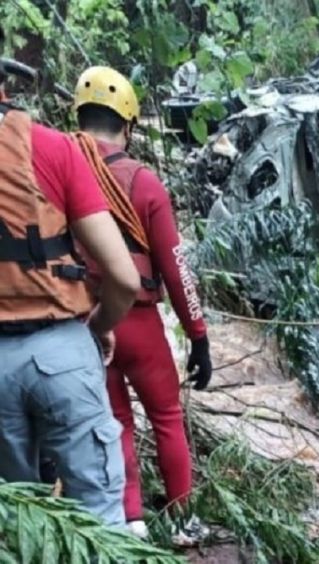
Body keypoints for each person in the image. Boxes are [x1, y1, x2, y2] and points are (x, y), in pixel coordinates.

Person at [0, 28, 140, 528]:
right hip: (60, 351)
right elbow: (123, 277)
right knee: (99, 518)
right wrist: (99, 325)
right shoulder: (53, 149)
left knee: (21, 525)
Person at [72, 66, 213, 543]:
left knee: (115, 422)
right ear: (128, 125)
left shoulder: (61, 167)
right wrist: (198, 336)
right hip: (139, 320)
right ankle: (180, 519)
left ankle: (130, 521)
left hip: (86, 322)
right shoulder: (142, 181)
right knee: (167, 417)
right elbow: (175, 266)